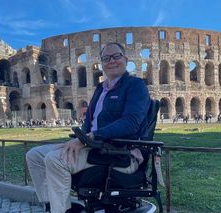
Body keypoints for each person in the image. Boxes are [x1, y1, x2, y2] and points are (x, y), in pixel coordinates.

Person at [26, 42, 150, 213]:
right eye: (106, 58)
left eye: (116, 56)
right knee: (34, 155)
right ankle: (51, 204)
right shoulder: (100, 89)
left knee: (54, 160)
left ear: (126, 59)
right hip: (94, 146)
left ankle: (61, 211)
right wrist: (81, 139)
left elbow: (130, 123)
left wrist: (91, 137)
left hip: (119, 152)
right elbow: (89, 123)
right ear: (102, 64)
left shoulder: (135, 85)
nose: (111, 61)